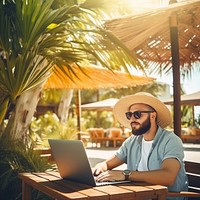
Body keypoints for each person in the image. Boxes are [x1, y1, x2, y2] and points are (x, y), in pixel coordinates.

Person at [92, 92, 188, 200]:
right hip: (138, 196)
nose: (132, 119)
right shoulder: (132, 141)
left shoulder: (171, 140)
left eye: (137, 114)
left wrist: (126, 174)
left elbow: (168, 176)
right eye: (129, 115)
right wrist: (98, 168)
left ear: (152, 115)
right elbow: (107, 164)